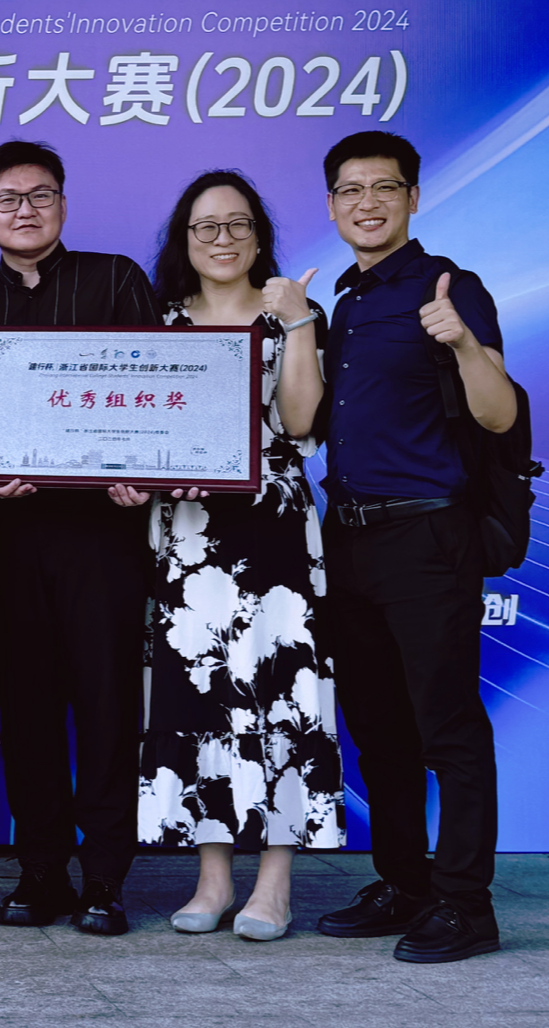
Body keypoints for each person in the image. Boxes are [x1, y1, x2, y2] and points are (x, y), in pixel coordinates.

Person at [0, 139, 157, 936]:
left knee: (106, 705)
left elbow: (156, 387)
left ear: (64, 203)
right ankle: (41, 871)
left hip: (103, 531)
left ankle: (105, 878)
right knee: (27, 706)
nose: (24, 210)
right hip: (10, 532)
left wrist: (145, 473)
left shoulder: (117, 280)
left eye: (39, 195)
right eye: (7, 199)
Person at [312, 133, 517, 964]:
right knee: (378, 728)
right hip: (349, 536)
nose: (367, 203)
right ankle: (405, 882)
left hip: (427, 533)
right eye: (351, 190)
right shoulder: (345, 301)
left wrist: (463, 344)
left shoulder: (450, 286)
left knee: (448, 727)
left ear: (413, 198)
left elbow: (499, 413)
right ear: (332, 205)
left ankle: (467, 904)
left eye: (384, 188)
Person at [120, 171, 340, 941]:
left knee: (283, 695)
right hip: (186, 533)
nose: (223, 239)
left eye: (238, 224)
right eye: (206, 226)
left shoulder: (292, 313)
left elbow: (302, 421)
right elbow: (136, 429)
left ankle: (274, 883)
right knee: (196, 697)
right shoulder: (159, 322)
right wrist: (129, 479)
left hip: (274, 526)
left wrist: (301, 319)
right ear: (184, 240)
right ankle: (212, 878)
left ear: (259, 235)